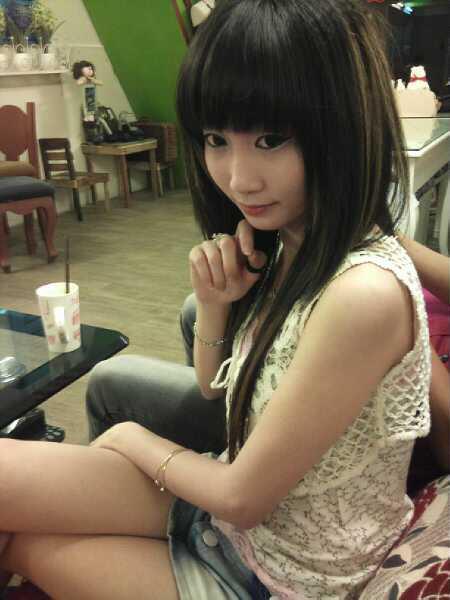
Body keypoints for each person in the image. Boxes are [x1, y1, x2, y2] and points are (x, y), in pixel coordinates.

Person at [0, 1, 443, 597]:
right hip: (225, 515)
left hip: (279, 576)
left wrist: (131, 437)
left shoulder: (362, 293)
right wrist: (214, 303)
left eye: (270, 139)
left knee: (24, 540)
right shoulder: (289, 239)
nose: (239, 178)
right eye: (215, 139)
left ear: (343, 126)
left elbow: (243, 496)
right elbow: (216, 389)